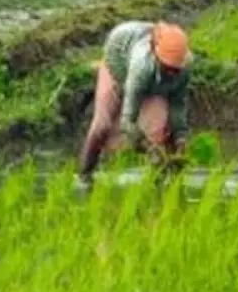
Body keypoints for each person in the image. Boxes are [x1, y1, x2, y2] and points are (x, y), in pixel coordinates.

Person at [77, 21, 192, 184]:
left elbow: (178, 104)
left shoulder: (183, 68)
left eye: (176, 70)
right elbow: (128, 121)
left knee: (158, 131)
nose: (173, 73)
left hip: (152, 81)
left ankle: (162, 181)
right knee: (102, 124)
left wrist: (181, 139)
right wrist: (148, 149)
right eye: (168, 68)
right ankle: (85, 176)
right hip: (117, 65)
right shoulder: (142, 66)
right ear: (155, 55)